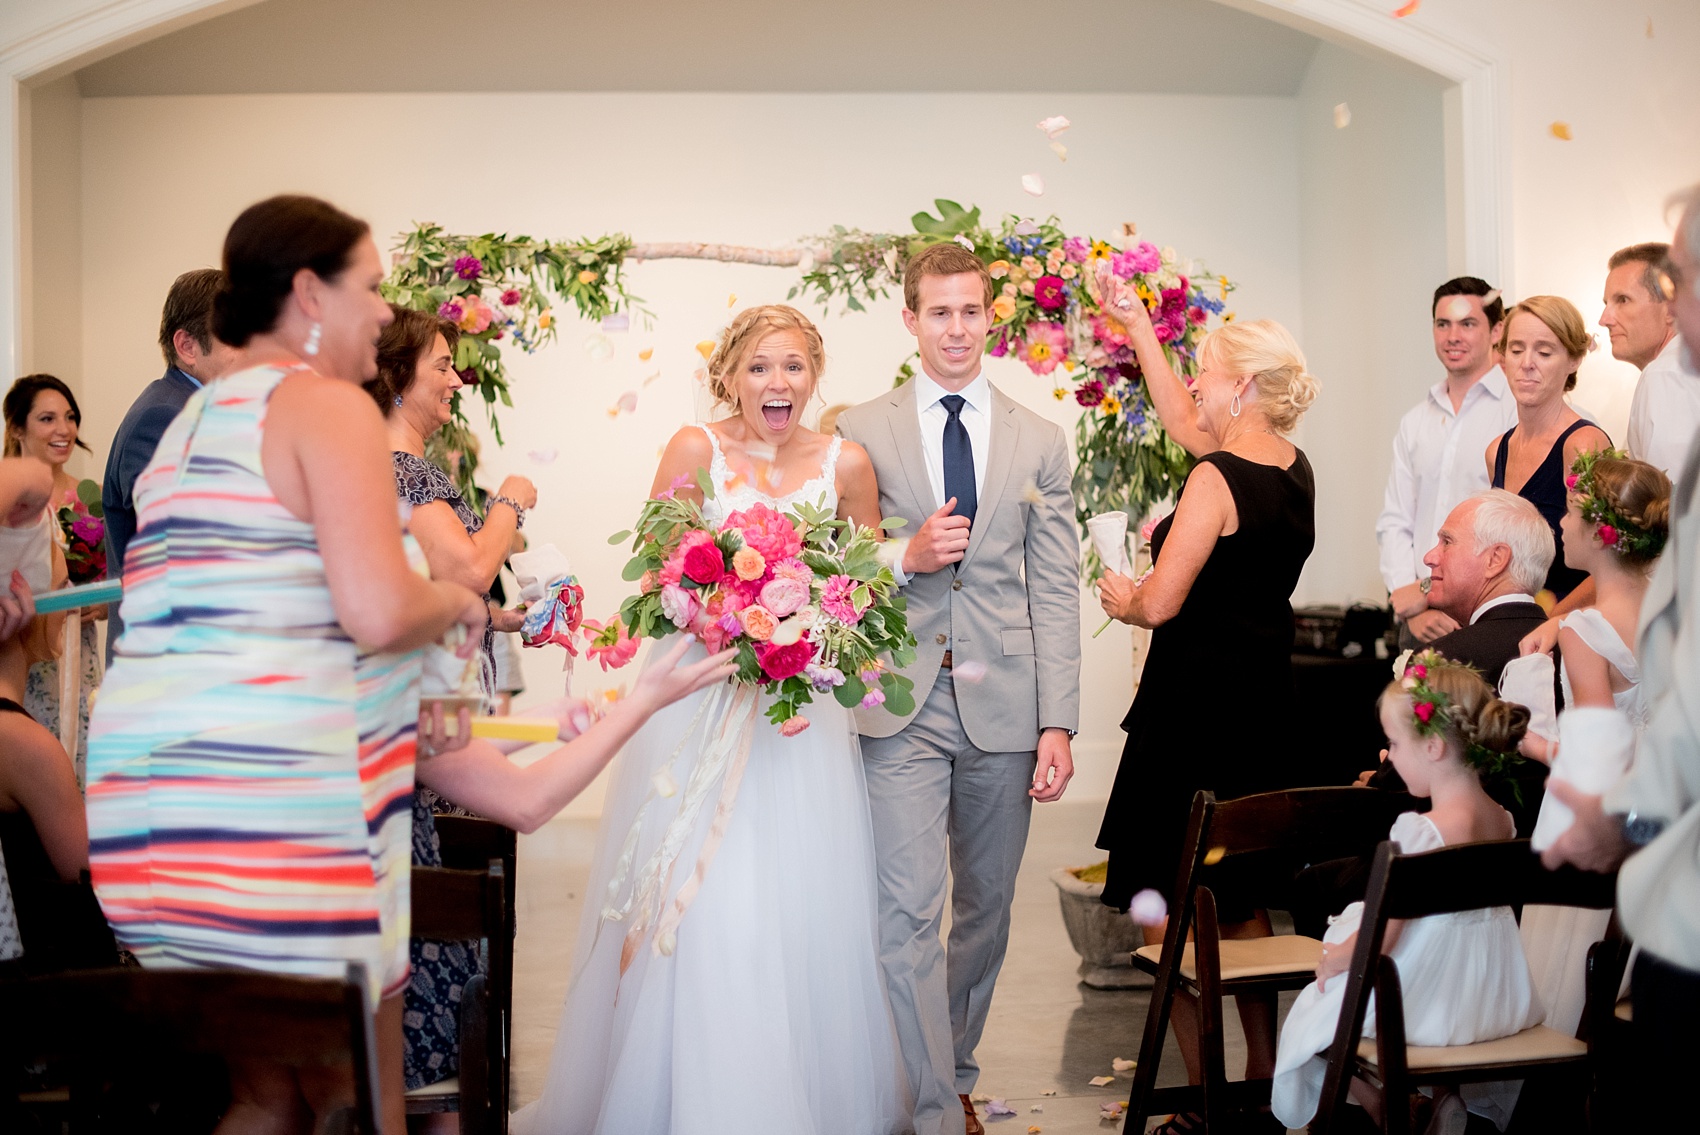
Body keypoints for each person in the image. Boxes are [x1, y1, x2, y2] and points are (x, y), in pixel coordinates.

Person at [84, 195, 489, 1135]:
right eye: (374, 287)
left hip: (150, 822)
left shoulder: (190, 424)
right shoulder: (323, 405)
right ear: (310, 292)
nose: (387, 311)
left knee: (264, 1094)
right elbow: (382, 608)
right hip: (270, 807)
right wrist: (455, 596)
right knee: (361, 1095)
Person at [515, 304, 903, 1135]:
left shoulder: (847, 462)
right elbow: (659, 574)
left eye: (795, 366)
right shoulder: (695, 448)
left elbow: (865, 585)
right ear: (730, 373)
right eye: (761, 366)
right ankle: (684, 1097)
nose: (779, 383)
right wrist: (726, 610)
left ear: (815, 374)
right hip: (697, 697)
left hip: (797, 720)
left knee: (797, 895)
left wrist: (809, 626)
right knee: (704, 888)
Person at [834, 243, 1080, 1135]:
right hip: (898, 699)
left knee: (987, 909)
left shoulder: (1040, 439)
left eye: (971, 311)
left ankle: (955, 1067)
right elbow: (834, 568)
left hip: (1008, 704)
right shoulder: (858, 427)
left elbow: (1055, 586)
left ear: (991, 318)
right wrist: (903, 557)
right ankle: (936, 1110)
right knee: (906, 908)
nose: (956, 328)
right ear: (910, 321)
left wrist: (1059, 720)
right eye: (939, 312)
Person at [1092, 257, 1317, 1129]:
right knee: (1249, 899)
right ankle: (1263, 1083)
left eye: (1209, 369)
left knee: (1166, 907)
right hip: (1262, 709)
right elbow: (1190, 423)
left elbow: (1163, 600)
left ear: (1244, 384)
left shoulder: (1212, 481)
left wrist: (1122, 596)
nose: (1197, 383)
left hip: (1190, 718)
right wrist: (1141, 328)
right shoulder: (1292, 466)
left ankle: (1207, 1097)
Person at [1543, 183, 1700, 1129]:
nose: (1678, 302)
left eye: (1684, 276)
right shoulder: (1661, 390)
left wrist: (1614, 813)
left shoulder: (1585, 631)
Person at [1273, 655, 1540, 1132]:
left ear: (1434, 746)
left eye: (1395, 743)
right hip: (1492, 996)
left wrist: (1334, 960)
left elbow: (1383, 941)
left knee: (1312, 1021)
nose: (1389, 756)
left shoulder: (1419, 831)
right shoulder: (1504, 820)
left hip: (1429, 1008)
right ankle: (1443, 1100)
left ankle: (1387, 1109)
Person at [1516, 452, 1667, 1043]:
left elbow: (1597, 755)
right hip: (1662, 815)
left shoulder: (1586, 631)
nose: (1562, 523)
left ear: (1603, 536)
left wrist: (1523, 739)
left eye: (1573, 512)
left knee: (1561, 998)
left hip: (1599, 821)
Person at [366, 305, 535, 706]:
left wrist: (499, 619)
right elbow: (472, 571)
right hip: (427, 695)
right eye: (442, 368)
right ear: (398, 377)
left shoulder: (391, 467)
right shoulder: (403, 472)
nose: (457, 381)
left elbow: (425, 588)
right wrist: (509, 500)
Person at [1378, 278, 1517, 645]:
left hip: (1486, 615)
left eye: (1468, 324)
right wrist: (1415, 606)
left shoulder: (1516, 412)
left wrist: (1425, 591)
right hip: (1418, 623)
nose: (1453, 336)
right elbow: (1395, 520)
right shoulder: (1416, 421)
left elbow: (1513, 528)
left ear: (1496, 330)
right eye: (1443, 324)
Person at [4, 373, 104, 784]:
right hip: (22, 649)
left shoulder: (90, 493)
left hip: (77, 653)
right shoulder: (11, 506)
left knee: (82, 760)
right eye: (47, 418)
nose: (63, 429)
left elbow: (110, 577)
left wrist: (99, 604)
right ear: (16, 427)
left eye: (70, 417)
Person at [1485, 296, 1611, 605]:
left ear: (1574, 360)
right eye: (1516, 350)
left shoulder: (1583, 446)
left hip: (1571, 627)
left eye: (1544, 352)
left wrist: (1550, 625)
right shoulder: (1496, 450)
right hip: (1515, 627)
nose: (1527, 363)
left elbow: (1613, 566)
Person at [1609, 242, 1699, 477]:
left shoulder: (1665, 374)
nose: (1604, 319)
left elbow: (1671, 498)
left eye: (1622, 300)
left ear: (1670, 308)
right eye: (1606, 303)